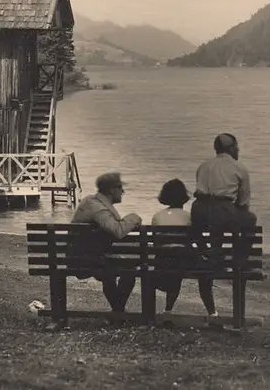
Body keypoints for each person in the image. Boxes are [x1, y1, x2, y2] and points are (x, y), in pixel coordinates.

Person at [190, 132, 257, 318]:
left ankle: (211, 254)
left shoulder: (204, 166)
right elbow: (244, 203)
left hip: (199, 210)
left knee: (212, 232)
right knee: (250, 219)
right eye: (236, 147)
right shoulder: (239, 168)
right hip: (223, 209)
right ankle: (238, 261)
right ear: (231, 148)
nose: (238, 150)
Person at [71, 172, 142, 312]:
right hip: (85, 261)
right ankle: (118, 311)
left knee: (113, 269)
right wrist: (133, 218)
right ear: (111, 190)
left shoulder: (93, 202)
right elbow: (117, 230)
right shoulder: (97, 207)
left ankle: (117, 311)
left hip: (82, 257)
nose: (123, 191)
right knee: (129, 270)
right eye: (120, 187)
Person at [150, 178, 198, 316]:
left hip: (162, 260)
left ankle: (155, 311)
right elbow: (191, 240)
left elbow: (155, 242)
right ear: (184, 198)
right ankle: (168, 309)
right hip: (181, 262)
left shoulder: (157, 216)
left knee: (171, 264)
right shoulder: (189, 217)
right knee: (178, 270)